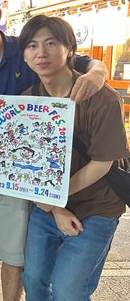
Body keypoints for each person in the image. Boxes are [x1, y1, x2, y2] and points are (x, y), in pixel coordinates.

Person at [0, 0, 109, 301]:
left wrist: (99, 72)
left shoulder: (27, 49)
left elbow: (83, 62)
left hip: (26, 171)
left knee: (16, 247)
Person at [18, 15, 129, 300]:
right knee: (33, 280)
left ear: (70, 50)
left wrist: (56, 197)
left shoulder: (102, 98)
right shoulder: (28, 100)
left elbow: (102, 163)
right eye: (32, 46)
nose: (41, 53)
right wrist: (56, 207)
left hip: (96, 207)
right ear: (25, 56)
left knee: (68, 290)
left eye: (51, 43)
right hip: (48, 207)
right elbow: (29, 167)